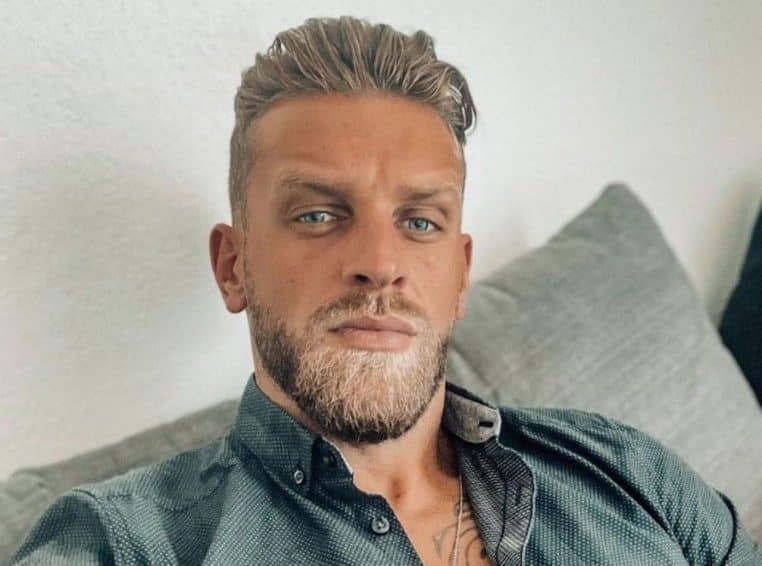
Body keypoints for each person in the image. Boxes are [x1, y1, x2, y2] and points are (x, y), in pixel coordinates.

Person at [11, 15, 760, 566]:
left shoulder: (628, 471)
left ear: (460, 275)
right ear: (233, 266)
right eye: (317, 214)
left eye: (420, 222)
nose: (379, 263)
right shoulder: (123, 544)